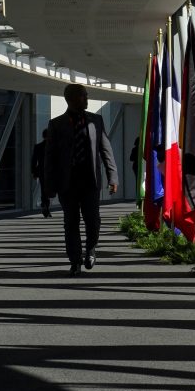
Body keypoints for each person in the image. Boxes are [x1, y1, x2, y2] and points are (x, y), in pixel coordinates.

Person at [42, 84, 119, 275]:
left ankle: (91, 249)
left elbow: (106, 150)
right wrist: (48, 188)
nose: (87, 99)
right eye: (84, 96)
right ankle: (75, 261)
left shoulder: (96, 120)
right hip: (67, 183)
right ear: (72, 99)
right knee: (71, 221)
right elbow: (50, 158)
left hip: (90, 182)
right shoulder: (56, 124)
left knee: (93, 220)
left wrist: (113, 177)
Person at [30, 130, 50, 217]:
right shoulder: (53, 146)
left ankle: (45, 205)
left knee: (43, 189)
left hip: (42, 171)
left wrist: (34, 172)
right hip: (52, 171)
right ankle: (46, 206)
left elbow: (34, 161)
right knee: (51, 189)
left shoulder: (38, 147)